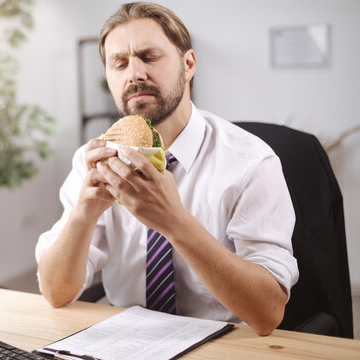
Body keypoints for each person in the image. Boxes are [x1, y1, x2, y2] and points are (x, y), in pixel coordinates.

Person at [35, 2, 298, 336]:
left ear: (188, 65)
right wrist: (83, 215)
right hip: (126, 342)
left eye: (149, 57)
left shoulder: (251, 163)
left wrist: (174, 222)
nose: (134, 74)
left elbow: (267, 313)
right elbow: (56, 293)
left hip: (224, 343)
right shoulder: (94, 160)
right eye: (119, 64)